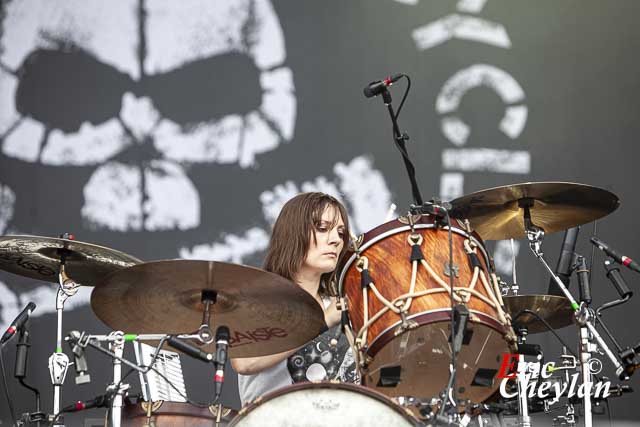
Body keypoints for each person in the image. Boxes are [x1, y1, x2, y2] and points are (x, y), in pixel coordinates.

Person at [231, 192, 357, 406]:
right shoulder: (260, 299)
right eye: (323, 228)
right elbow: (245, 362)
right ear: (293, 233)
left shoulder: (338, 305)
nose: (336, 240)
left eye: (341, 232)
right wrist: (322, 322)